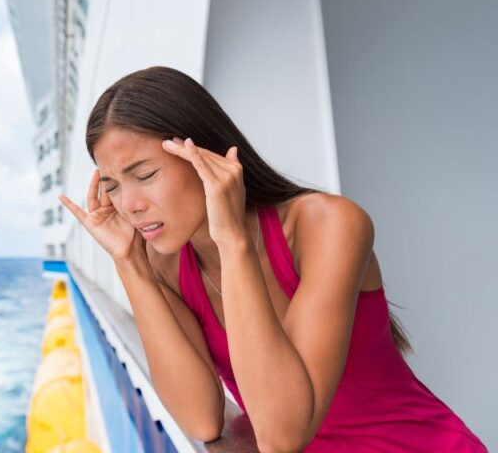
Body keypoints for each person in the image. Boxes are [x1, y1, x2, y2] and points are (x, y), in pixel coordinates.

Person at [58, 66, 487, 452]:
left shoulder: (327, 225)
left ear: (205, 155)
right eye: (112, 185)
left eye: (145, 175)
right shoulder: (165, 264)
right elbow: (201, 418)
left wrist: (233, 241)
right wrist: (130, 264)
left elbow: (282, 435)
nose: (129, 204)